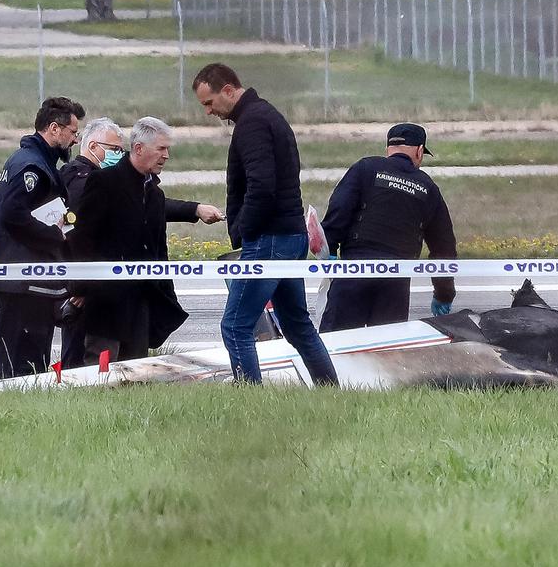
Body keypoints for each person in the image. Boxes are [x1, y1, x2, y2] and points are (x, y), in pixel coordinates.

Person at [192, 62, 338, 385]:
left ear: (228, 90)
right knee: (297, 326)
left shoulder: (252, 123)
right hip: (290, 235)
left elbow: (261, 187)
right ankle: (330, 390)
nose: (208, 111)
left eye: (209, 103)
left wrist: (243, 228)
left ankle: (251, 398)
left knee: (235, 325)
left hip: (270, 239)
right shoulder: (266, 115)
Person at [60, 117, 224, 366]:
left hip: (141, 303)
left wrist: (164, 292)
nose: (166, 155)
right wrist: (82, 287)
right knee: (101, 370)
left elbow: (158, 250)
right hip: (106, 303)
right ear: (138, 148)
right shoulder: (103, 182)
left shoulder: (155, 194)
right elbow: (83, 238)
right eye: (161, 148)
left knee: (136, 370)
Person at [318, 123, 458, 331]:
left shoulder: (365, 168)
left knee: (337, 343)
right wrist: (444, 293)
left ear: (388, 149)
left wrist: (329, 248)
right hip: (395, 282)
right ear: (420, 151)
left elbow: (339, 209)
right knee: (386, 346)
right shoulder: (428, 188)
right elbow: (443, 247)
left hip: (354, 273)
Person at [0, 96, 84, 379]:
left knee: (26, 359)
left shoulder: (33, 160)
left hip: (26, 276)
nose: (75, 139)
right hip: (25, 280)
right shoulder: (32, 166)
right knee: (23, 364)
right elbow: (12, 214)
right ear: (54, 129)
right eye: (73, 132)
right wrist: (54, 235)